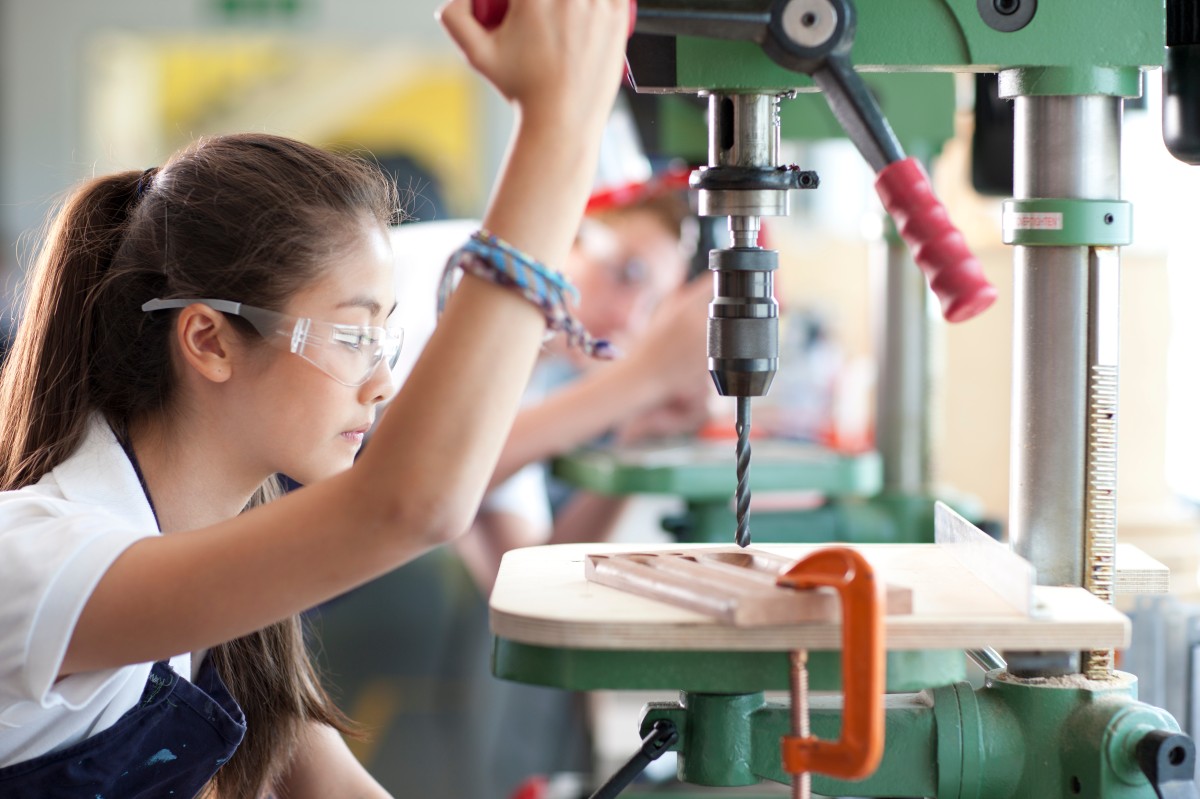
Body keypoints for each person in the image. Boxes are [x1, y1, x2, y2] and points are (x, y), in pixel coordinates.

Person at [0, 0, 633, 796]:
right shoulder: (44, 562)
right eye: (351, 335)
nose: (383, 381)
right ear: (209, 341)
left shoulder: (221, 581)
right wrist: (561, 123)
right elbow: (410, 505)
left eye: (383, 338)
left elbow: (332, 785)